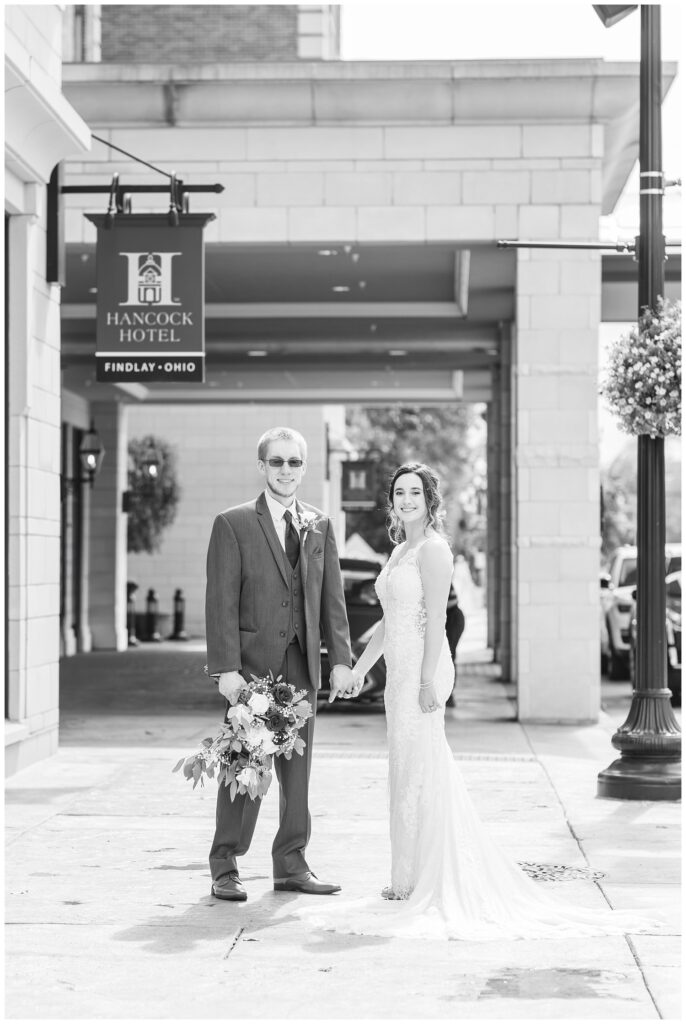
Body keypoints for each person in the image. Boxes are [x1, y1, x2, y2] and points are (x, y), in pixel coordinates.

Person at [293, 462, 656, 940]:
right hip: (398, 674)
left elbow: (439, 623)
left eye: (415, 493)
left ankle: (430, 878)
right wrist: (362, 670)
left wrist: (427, 681)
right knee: (405, 770)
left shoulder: (434, 550)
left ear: (430, 501)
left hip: (423, 672)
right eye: (399, 493)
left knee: (424, 767)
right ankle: (406, 876)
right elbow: (389, 620)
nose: (406, 500)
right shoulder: (400, 548)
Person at [205, 426, 354, 901]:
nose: (286, 470)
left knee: (297, 770)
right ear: (262, 467)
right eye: (277, 462)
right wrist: (225, 667)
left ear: (304, 468)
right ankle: (225, 863)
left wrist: (342, 661)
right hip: (251, 668)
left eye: (294, 462)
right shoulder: (233, 524)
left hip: (302, 663)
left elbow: (333, 600)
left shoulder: (320, 524)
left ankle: (291, 863)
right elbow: (221, 602)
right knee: (245, 764)